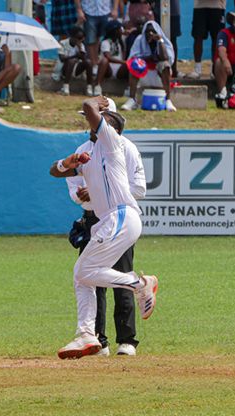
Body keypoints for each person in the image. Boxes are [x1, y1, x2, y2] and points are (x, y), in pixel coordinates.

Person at [49, 96, 158, 360]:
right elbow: (54, 171)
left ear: (110, 128)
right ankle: (87, 335)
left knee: (84, 271)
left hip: (120, 216)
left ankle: (140, 283)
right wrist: (69, 163)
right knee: (83, 275)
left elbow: (88, 106)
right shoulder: (90, 152)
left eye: (98, 122)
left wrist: (98, 101)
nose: (90, 125)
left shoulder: (112, 144)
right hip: (108, 222)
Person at [121, 20, 177, 111]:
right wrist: (149, 58)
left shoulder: (164, 41)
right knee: (134, 64)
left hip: (160, 77)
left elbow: (166, 58)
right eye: (147, 32)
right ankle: (132, 100)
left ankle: (168, 100)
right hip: (144, 75)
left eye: (153, 32)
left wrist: (160, 41)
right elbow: (132, 57)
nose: (150, 34)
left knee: (165, 65)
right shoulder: (140, 39)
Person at [75, 0, 120, 74]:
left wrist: (115, 9)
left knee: (100, 38)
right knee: (90, 39)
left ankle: (98, 62)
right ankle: (93, 64)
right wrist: (79, 10)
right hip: (89, 10)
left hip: (105, 10)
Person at [188, 0, 226, 79]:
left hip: (218, 7)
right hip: (199, 6)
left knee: (216, 38)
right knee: (198, 37)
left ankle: (214, 69)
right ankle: (197, 69)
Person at [56, 26, 93, 96]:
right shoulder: (63, 43)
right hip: (63, 69)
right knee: (71, 61)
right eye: (78, 38)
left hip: (75, 70)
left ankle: (89, 87)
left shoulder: (81, 45)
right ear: (72, 36)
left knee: (89, 62)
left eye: (82, 39)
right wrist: (75, 55)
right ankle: (65, 87)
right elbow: (62, 58)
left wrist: (81, 52)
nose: (80, 40)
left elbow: (84, 61)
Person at [95, 20, 129, 95]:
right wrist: (124, 62)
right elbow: (108, 57)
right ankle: (97, 86)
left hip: (119, 69)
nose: (122, 30)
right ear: (115, 31)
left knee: (130, 64)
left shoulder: (120, 42)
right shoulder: (105, 42)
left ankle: (128, 88)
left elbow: (128, 32)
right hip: (108, 68)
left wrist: (125, 63)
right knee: (104, 60)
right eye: (120, 29)